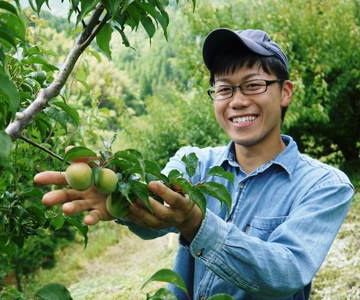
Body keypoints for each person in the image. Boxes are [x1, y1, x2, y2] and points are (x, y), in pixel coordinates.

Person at [34, 28, 354, 300]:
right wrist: (125, 197)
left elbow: (286, 271)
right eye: (224, 89)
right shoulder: (195, 163)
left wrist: (197, 224)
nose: (238, 100)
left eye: (253, 85)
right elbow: (159, 216)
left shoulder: (324, 185)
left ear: (285, 92)